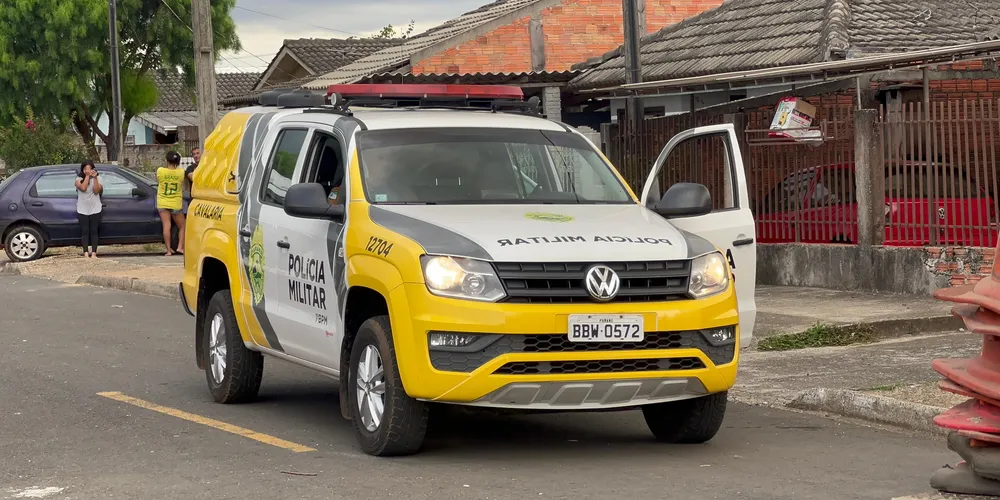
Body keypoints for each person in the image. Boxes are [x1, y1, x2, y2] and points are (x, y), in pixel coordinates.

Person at [157, 151, 186, 256]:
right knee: (182, 226)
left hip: (163, 201)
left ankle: (169, 250)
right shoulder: (181, 172)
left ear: (167, 160)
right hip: (175, 202)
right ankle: (180, 247)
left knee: (166, 225)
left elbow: (159, 180)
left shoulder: (160, 171)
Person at [75, 160, 103, 258]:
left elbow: (96, 191)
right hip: (82, 209)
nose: (88, 170)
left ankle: (94, 253)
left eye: (90, 168)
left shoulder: (98, 178)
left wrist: (94, 178)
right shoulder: (78, 178)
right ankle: (86, 252)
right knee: (85, 231)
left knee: (94, 231)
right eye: (86, 168)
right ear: (83, 169)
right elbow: (83, 188)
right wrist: (87, 176)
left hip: (95, 208)